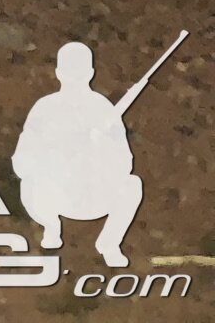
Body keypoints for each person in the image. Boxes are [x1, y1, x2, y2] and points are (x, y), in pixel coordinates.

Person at [13, 42, 152, 269]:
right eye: (70, 74)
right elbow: (22, 161)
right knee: (30, 184)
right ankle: (51, 226)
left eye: (79, 74)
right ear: (59, 74)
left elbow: (125, 162)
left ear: (90, 74)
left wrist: (100, 148)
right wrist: (56, 154)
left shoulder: (103, 109)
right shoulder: (44, 108)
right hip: (56, 197)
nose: (74, 80)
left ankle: (109, 244)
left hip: (94, 194)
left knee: (132, 185)